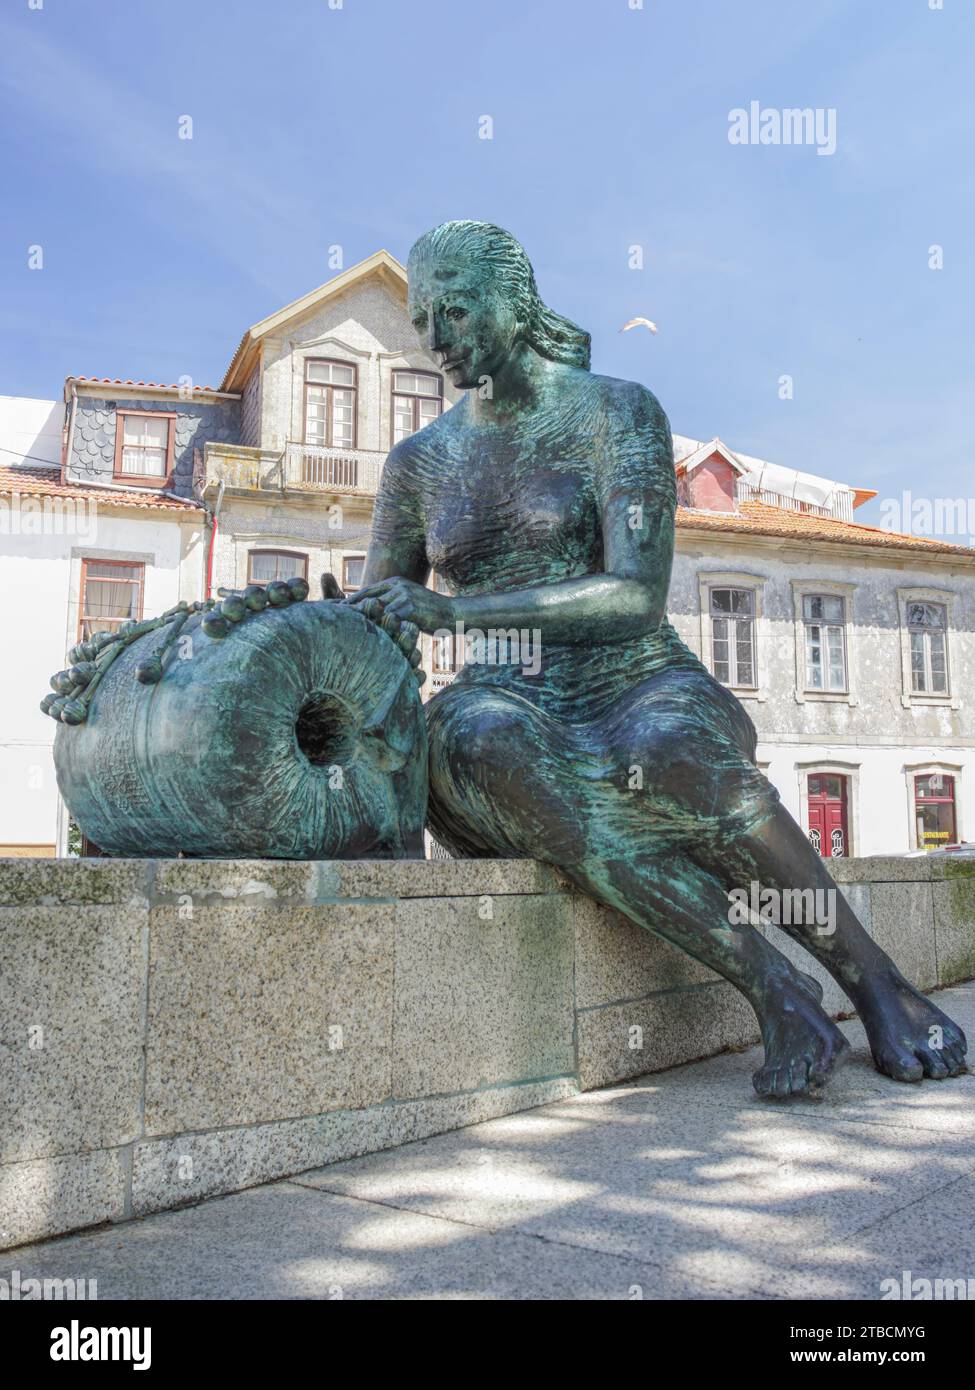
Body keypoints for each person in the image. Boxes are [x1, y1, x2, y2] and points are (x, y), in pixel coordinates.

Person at [346, 220, 967, 1096]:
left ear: (513, 303)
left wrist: (455, 608)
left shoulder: (616, 411)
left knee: (666, 752)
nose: (439, 339)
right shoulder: (416, 464)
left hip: (636, 675)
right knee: (470, 742)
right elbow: (382, 625)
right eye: (423, 321)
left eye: (458, 310)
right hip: (504, 698)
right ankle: (773, 986)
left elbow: (633, 593)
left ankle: (877, 984)